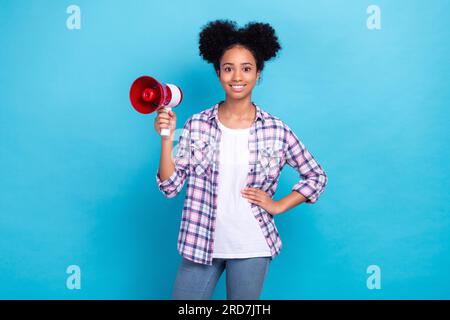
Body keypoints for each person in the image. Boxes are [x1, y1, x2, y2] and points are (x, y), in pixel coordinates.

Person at [154, 20, 328, 300]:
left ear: (258, 73)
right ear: (218, 73)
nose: (237, 76)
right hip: (200, 242)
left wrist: (279, 205)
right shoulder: (198, 124)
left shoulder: (276, 129)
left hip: (252, 245)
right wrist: (166, 138)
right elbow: (170, 186)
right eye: (228, 68)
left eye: (246, 68)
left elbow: (316, 176)